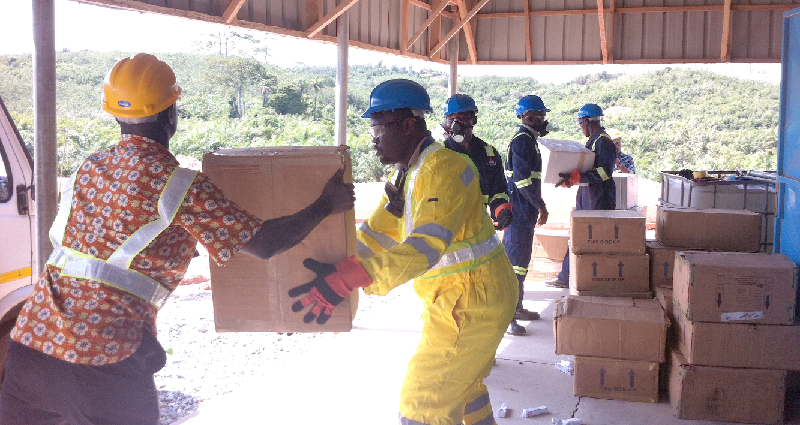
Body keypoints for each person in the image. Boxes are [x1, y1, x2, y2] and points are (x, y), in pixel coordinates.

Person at [0, 53, 355, 425]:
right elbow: (264, 243)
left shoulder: (90, 165)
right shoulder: (180, 185)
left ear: (115, 114)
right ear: (171, 113)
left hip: (31, 349)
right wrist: (324, 205)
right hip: (103, 358)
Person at [288, 79, 517, 425]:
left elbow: (424, 247)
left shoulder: (442, 169)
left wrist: (346, 280)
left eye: (379, 127)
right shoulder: (408, 173)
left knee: (423, 403)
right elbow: (376, 234)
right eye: (372, 128)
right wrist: (331, 267)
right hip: (460, 298)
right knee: (464, 392)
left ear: (409, 125)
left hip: (471, 301)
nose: (373, 137)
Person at [546, 103, 616, 288]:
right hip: (589, 193)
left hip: (599, 197)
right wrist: (574, 177)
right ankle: (568, 277)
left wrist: (579, 176)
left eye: (580, 123)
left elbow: (604, 172)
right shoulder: (594, 140)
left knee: (593, 239)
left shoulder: (603, 142)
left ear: (586, 121)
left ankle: (590, 278)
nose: (580, 127)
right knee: (578, 235)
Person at [501, 95, 550, 336]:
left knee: (520, 265)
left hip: (524, 214)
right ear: (528, 116)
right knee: (513, 268)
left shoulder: (528, 141)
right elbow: (522, 181)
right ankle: (507, 317)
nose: (543, 120)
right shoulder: (522, 142)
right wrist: (540, 205)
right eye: (540, 116)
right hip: (519, 214)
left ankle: (517, 308)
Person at [440, 94, 513, 231]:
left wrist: (501, 210)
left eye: (461, 118)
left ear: (473, 119)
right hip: (448, 231)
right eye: (451, 120)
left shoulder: (489, 154)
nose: (455, 124)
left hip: (478, 229)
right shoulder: (439, 155)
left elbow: (498, 191)